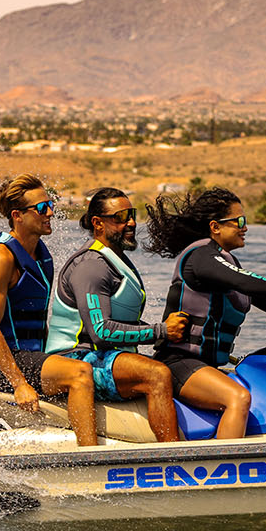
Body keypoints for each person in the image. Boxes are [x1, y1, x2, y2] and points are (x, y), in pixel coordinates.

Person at [144, 187, 266, 440]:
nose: (245, 227)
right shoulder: (200, 257)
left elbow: (262, 298)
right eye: (239, 221)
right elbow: (247, 282)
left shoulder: (224, 262)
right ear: (215, 227)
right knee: (237, 397)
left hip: (206, 365)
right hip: (178, 362)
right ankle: (222, 471)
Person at [45, 188, 191, 443]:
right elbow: (100, 332)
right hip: (76, 357)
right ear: (98, 223)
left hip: (104, 355)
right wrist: (161, 331)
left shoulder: (114, 259)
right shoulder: (91, 265)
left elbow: (124, 323)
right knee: (157, 374)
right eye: (121, 217)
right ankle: (174, 460)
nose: (131, 222)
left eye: (131, 214)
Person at [0, 174, 103, 446]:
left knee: (96, 362)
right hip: (1, 364)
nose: (50, 212)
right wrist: (19, 383)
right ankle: (89, 456)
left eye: (50, 204)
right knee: (80, 374)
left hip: (33, 357)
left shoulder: (40, 255)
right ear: (17, 215)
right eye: (42, 208)